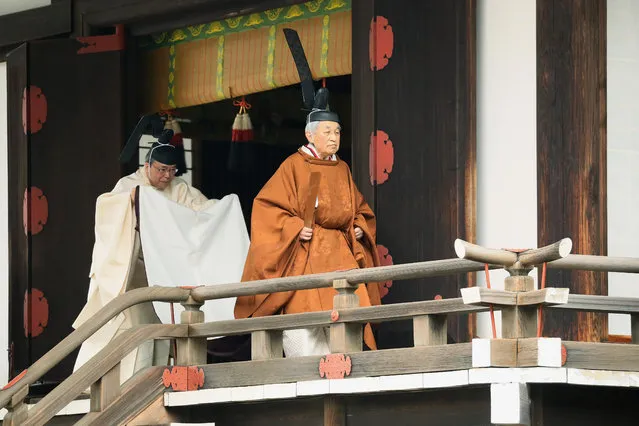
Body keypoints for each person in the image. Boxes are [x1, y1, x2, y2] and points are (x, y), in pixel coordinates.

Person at [73, 128, 248, 383]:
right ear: (148, 166)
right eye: (161, 169)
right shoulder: (130, 186)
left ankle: (154, 380)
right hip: (134, 272)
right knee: (131, 327)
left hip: (163, 272)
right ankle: (114, 383)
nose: (166, 176)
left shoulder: (179, 189)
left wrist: (224, 206)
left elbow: (201, 213)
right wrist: (136, 201)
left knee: (163, 327)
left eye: (171, 170)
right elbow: (107, 208)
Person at [234, 103, 382, 358]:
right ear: (310, 135)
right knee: (305, 330)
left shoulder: (342, 168)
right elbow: (267, 208)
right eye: (327, 132)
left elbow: (360, 209)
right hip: (305, 254)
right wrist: (293, 228)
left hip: (339, 255)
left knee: (346, 331)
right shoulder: (294, 166)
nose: (334, 138)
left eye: (337, 132)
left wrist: (358, 227)